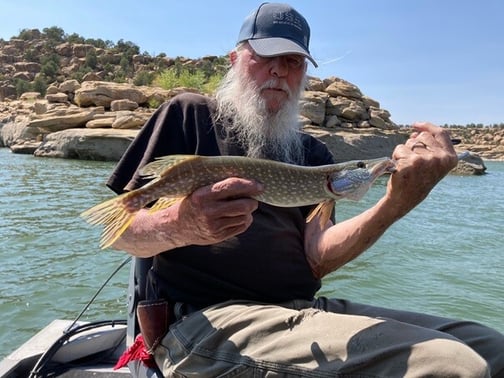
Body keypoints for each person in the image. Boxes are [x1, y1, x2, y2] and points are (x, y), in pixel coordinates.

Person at [107, 3, 504, 377]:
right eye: (265, 56)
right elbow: (121, 234)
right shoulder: (189, 114)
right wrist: (182, 224)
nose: (278, 71)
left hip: (298, 310)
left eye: (293, 61)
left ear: (303, 74)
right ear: (235, 60)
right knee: (452, 366)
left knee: (492, 347)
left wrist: (396, 203)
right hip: (202, 321)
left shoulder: (313, 153)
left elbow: (318, 258)